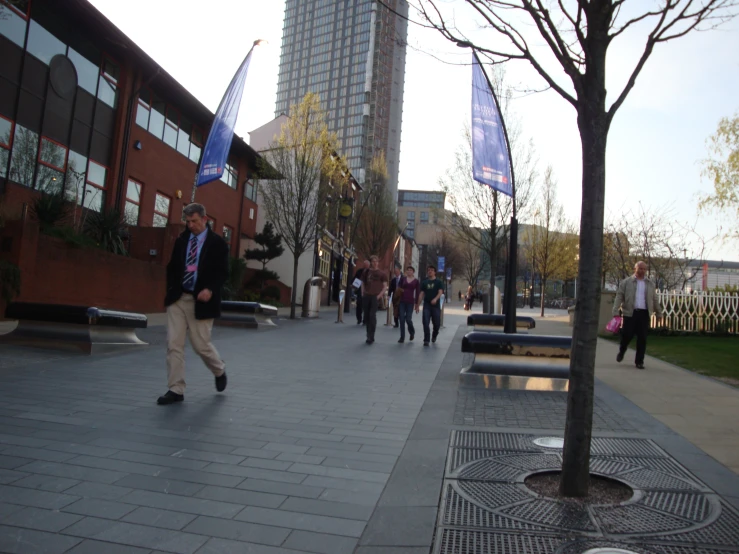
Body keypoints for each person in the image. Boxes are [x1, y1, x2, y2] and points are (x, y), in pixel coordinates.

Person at [158, 203, 229, 405]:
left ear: (204, 220)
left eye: (195, 221)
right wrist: (171, 288)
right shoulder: (182, 240)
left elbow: (222, 272)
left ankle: (219, 370)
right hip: (178, 299)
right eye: (187, 222)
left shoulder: (217, 243)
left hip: (201, 301)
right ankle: (176, 389)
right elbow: (173, 267)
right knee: (174, 345)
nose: (191, 225)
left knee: (200, 345)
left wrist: (210, 289)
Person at [613, 260, 663, 370]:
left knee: (642, 338)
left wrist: (659, 313)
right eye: (640, 268)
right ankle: (622, 350)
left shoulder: (649, 284)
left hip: (644, 314)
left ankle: (639, 361)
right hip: (630, 313)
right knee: (627, 335)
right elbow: (619, 296)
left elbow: (654, 299)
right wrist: (615, 311)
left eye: (644, 269)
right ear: (635, 269)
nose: (642, 271)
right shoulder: (626, 282)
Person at [361, 255, 388, 344]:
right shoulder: (366, 272)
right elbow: (363, 283)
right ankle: (368, 334)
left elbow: (385, 286)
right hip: (367, 296)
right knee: (367, 316)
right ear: (370, 262)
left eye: (376, 261)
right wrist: (363, 293)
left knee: (372, 315)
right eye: (373, 261)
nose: (375, 263)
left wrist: (379, 295)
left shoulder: (382, 274)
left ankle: (371, 335)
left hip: (375, 296)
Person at [418, 265, 444, 346]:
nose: (430, 271)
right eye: (428, 270)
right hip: (427, 305)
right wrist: (417, 304)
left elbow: (440, 292)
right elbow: (421, 294)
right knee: (425, 322)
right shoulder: (424, 282)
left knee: (437, 323)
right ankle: (426, 339)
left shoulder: (438, 282)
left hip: (435, 306)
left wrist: (435, 299)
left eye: (432, 270)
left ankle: (434, 335)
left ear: (435, 272)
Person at [397, 266, 420, 343]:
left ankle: (412, 332)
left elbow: (417, 293)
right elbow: (398, 287)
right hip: (402, 301)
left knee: (408, 319)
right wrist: (400, 289)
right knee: (402, 319)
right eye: (408, 270)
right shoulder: (403, 279)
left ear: (413, 272)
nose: (409, 271)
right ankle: (402, 337)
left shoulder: (416, 281)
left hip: (410, 302)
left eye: (411, 270)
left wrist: (417, 304)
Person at [353, 260, 370, 325]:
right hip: (360, 290)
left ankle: (365, 320)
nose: (365, 266)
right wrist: (353, 284)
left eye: (366, 265)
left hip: (367, 291)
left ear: (368, 265)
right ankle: (359, 319)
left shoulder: (370, 272)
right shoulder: (359, 271)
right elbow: (355, 278)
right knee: (359, 305)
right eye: (364, 265)